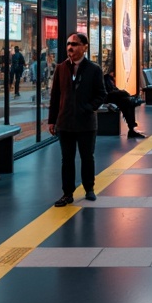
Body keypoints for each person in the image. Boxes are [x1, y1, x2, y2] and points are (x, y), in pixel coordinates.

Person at [48, 32, 107, 206]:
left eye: (74, 44)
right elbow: (55, 96)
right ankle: (67, 193)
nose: (70, 47)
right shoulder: (61, 68)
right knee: (67, 159)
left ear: (85, 47)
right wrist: (52, 120)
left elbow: (101, 94)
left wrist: (88, 108)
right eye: (68, 44)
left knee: (87, 157)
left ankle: (89, 188)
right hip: (65, 123)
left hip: (86, 123)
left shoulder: (94, 69)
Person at [103, 71, 146, 138]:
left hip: (109, 96)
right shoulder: (105, 78)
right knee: (126, 101)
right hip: (103, 98)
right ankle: (131, 128)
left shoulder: (107, 78)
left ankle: (132, 128)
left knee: (127, 102)